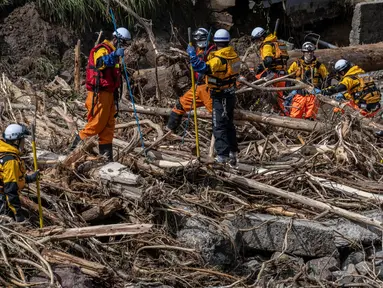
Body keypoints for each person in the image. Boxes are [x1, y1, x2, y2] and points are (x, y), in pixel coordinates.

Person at [70, 27, 132, 161]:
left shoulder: (114, 52)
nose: (125, 48)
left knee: (109, 126)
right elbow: (100, 63)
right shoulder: (102, 49)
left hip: (109, 95)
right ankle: (72, 152)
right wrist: (114, 56)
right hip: (99, 94)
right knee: (96, 124)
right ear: (116, 40)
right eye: (124, 44)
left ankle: (106, 158)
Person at [186, 29, 240, 165]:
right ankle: (233, 153)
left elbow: (199, 67)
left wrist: (192, 54)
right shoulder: (234, 56)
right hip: (230, 94)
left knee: (219, 125)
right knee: (229, 124)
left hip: (220, 95)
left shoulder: (218, 60)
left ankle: (222, 156)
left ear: (215, 42)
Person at [167, 28, 216, 131]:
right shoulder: (199, 49)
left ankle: (223, 140)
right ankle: (169, 130)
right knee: (180, 105)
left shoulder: (213, 52)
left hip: (209, 88)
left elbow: (202, 66)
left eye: (200, 40)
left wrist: (193, 56)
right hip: (198, 87)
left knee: (217, 115)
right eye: (197, 41)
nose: (198, 43)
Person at [0, 124, 39, 222]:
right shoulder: (10, 161)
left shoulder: (4, 151)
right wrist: (18, 213)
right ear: (16, 141)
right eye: (22, 141)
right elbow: (10, 190)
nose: (23, 144)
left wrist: (29, 179)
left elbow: (10, 179)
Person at [251, 27, 290, 115]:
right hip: (283, 76)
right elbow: (286, 58)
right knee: (280, 99)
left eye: (256, 40)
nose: (256, 43)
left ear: (261, 38)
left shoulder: (267, 45)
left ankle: (283, 118)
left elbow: (268, 60)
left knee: (255, 81)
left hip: (275, 76)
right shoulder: (279, 43)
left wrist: (259, 68)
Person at [285, 42, 329, 119]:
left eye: (311, 52)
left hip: (313, 94)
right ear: (303, 52)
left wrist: (324, 91)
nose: (309, 54)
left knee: (310, 116)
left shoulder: (319, 66)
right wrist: (288, 90)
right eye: (307, 52)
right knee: (295, 115)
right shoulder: (297, 64)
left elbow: (327, 78)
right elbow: (288, 77)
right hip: (299, 93)